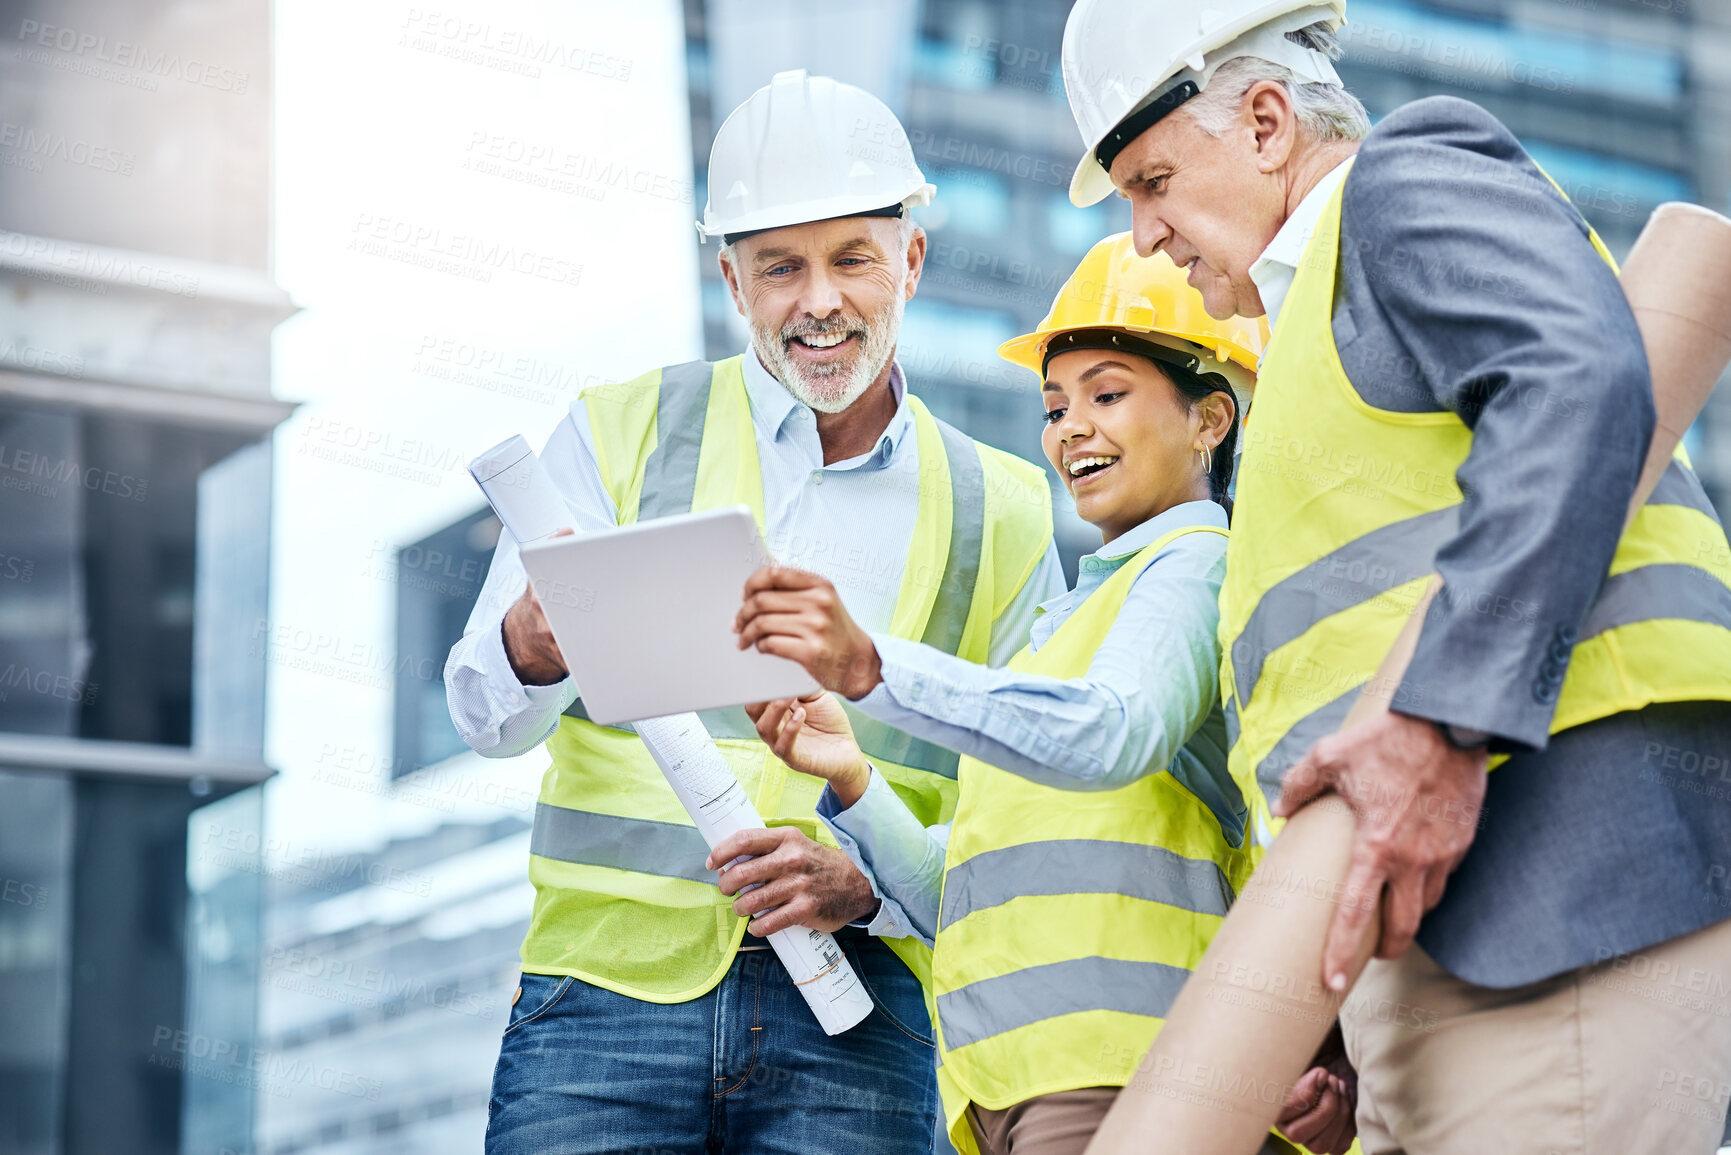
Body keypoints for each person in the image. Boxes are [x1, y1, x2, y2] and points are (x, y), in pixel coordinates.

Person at [1058, 0, 1731, 1151]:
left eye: (1154, 180)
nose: (1145, 236)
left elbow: (1576, 378)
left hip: (1555, 905)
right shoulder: (1303, 369)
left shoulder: (1402, 180)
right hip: (1435, 946)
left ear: (1267, 120)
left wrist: (1433, 725)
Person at [444, 69, 1064, 1154]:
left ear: (911, 262)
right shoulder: (621, 430)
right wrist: (531, 645)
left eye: (852, 259)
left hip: (859, 1016)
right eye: (780, 267)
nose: (817, 300)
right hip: (605, 1001)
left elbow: (1037, 806)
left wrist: (870, 886)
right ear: (733, 281)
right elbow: (486, 716)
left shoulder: (1003, 509)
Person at [721, 238, 1357, 1155]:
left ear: (1211, 419)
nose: (1069, 430)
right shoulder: (1069, 622)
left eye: (1106, 395)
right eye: (1055, 406)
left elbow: (1113, 731)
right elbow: (966, 888)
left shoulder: (1195, 566)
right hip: (1016, 1089)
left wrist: (872, 668)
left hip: (1125, 1072)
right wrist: (853, 777)